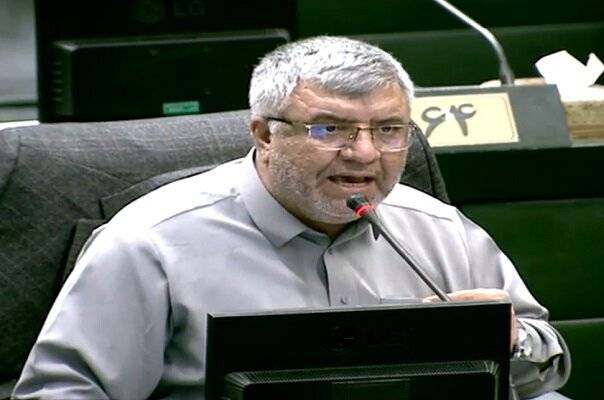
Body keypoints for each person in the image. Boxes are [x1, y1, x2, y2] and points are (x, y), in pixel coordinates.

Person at [13, 36, 569, 399]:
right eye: (330, 128)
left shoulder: (439, 231)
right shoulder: (151, 243)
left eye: (389, 130)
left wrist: (515, 340)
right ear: (264, 134)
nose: (365, 153)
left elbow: (544, 370)